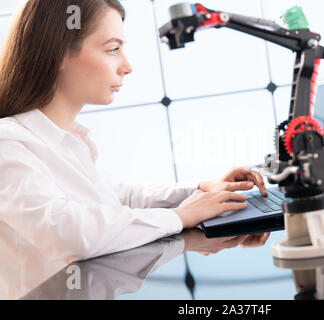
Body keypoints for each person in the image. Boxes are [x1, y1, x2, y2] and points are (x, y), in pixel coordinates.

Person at [0, 0, 269, 264]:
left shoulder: (67, 141)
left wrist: (201, 190)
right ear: (57, 53)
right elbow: (66, 233)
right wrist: (181, 216)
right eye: (113, 49)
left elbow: (120, 198)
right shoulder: (8, 142)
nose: (127, 66)